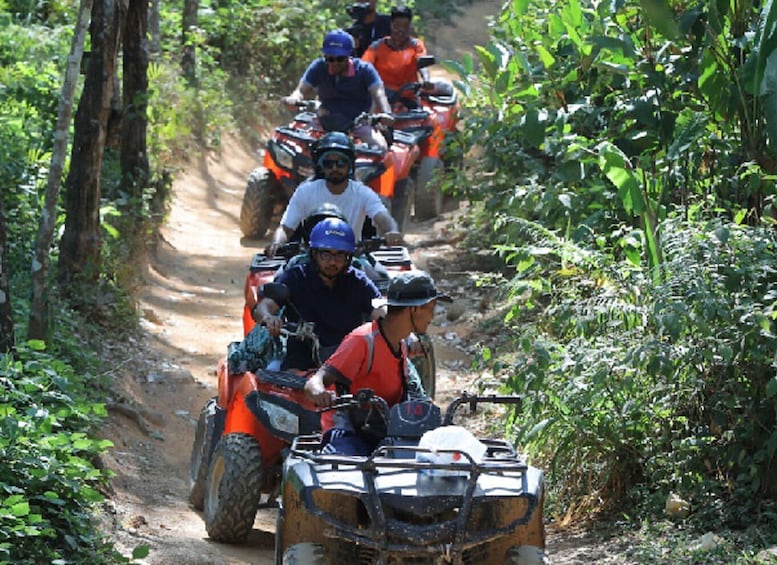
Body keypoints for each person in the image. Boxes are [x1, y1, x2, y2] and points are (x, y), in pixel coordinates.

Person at [304, 270, 452, 455]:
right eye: (431, 308)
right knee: (346, 474)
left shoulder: (401, 343)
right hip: (349, 432)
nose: (432, 317)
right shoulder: (362, 340)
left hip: (385, 431)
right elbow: (316, 381)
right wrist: (319, 392)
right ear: (414, 309)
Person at [254, 218, 384, 371]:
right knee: (270, 380)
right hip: (300, 361)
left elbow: (380, 308)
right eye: (325, 255)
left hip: (348, 360)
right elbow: (263, 306)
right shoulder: (296, 277)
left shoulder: (358, 281)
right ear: (314, 254)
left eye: (339, 255)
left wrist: (400, 328)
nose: (332, 262)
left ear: (348, 258)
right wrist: (269, 318)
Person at [265, 131, 402, 258]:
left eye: (340, 163)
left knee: (384, 280)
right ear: (321, 166)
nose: (334, 168)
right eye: (328, 163)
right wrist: (277, 243)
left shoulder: (363, 193)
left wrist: (392, 232)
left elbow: (383, 218)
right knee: (279, 280)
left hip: (352, 258)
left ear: (349, 166)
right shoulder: (305, 191)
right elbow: (286, 227)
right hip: (310, 259)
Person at [282, 29, 393, 149]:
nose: (334, 63)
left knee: (380, 147)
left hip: (358, 124)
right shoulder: (318, 67)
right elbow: (301, 90)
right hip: (323, 121)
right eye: (330, 59)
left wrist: (386, 113)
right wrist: (293, 98)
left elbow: (379, 93)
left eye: (340, 59)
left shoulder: (365, 70)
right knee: (293, 146)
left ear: (348, 57)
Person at [361, 6, 432, 104]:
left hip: (409, 98)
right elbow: (364, 68)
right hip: (382, 99)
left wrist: (426, 79)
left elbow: (422, 63)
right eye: (397, 26)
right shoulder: (376, 47)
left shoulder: (416, 45)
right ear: (391, 25)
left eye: (405, 27)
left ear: (410, 27)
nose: (400, 31)